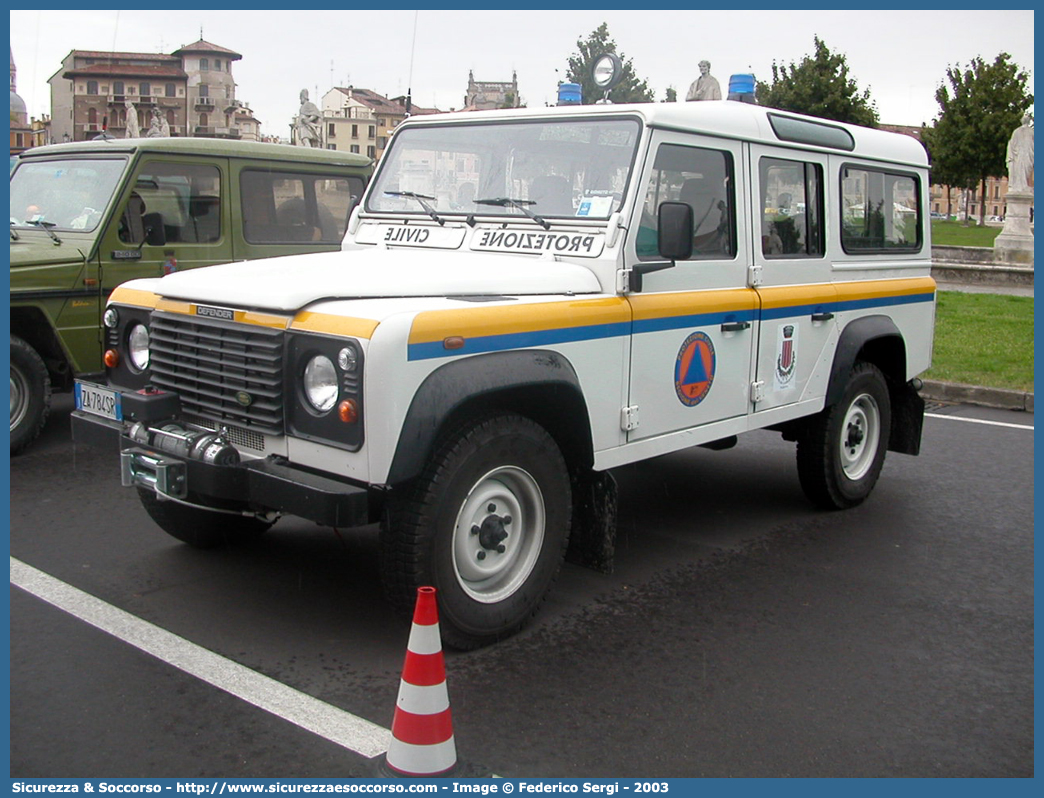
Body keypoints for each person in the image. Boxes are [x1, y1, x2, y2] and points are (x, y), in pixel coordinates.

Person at [1006, 113, 1034, 194]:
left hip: (1022, 155)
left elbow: (1012, 145)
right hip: (1025, 156)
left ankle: (1022, 186)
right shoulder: (1031, 132)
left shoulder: (1017, 131)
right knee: (1023, 171)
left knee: (1022, 171)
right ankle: (1020, 186)